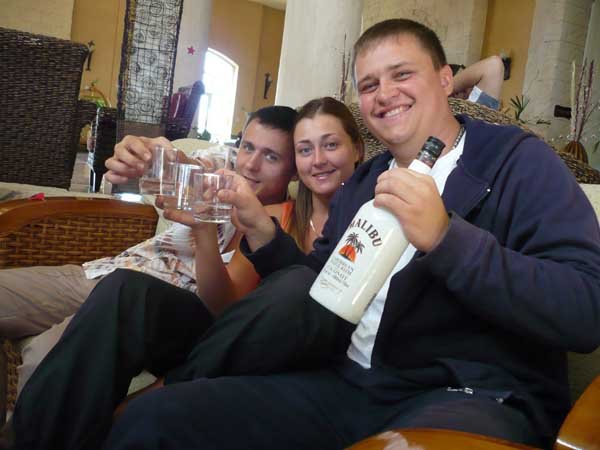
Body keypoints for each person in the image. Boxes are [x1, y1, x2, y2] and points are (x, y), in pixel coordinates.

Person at [5, 19, 600, 450]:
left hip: (468, 396)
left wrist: (448, 240)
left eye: (402, 74)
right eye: (369, 84)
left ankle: (181, 377)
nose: (384, 93)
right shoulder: (364, 183)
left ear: (446, 79)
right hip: (343, 380)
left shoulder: (517, 163)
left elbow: (585, 308)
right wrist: (257, 226)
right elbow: (313, 291)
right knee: (150, 424)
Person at [1, 104, 298, 394]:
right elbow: (187, 165)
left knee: (44, 358)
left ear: (294, 170)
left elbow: (225, 307)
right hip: (107, 273)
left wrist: (203, 229)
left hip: (140, 308)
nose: (251, 165)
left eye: (271, 156)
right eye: (248, 147)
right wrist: (147, 152)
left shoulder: (273, 230)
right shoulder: (225, 168)